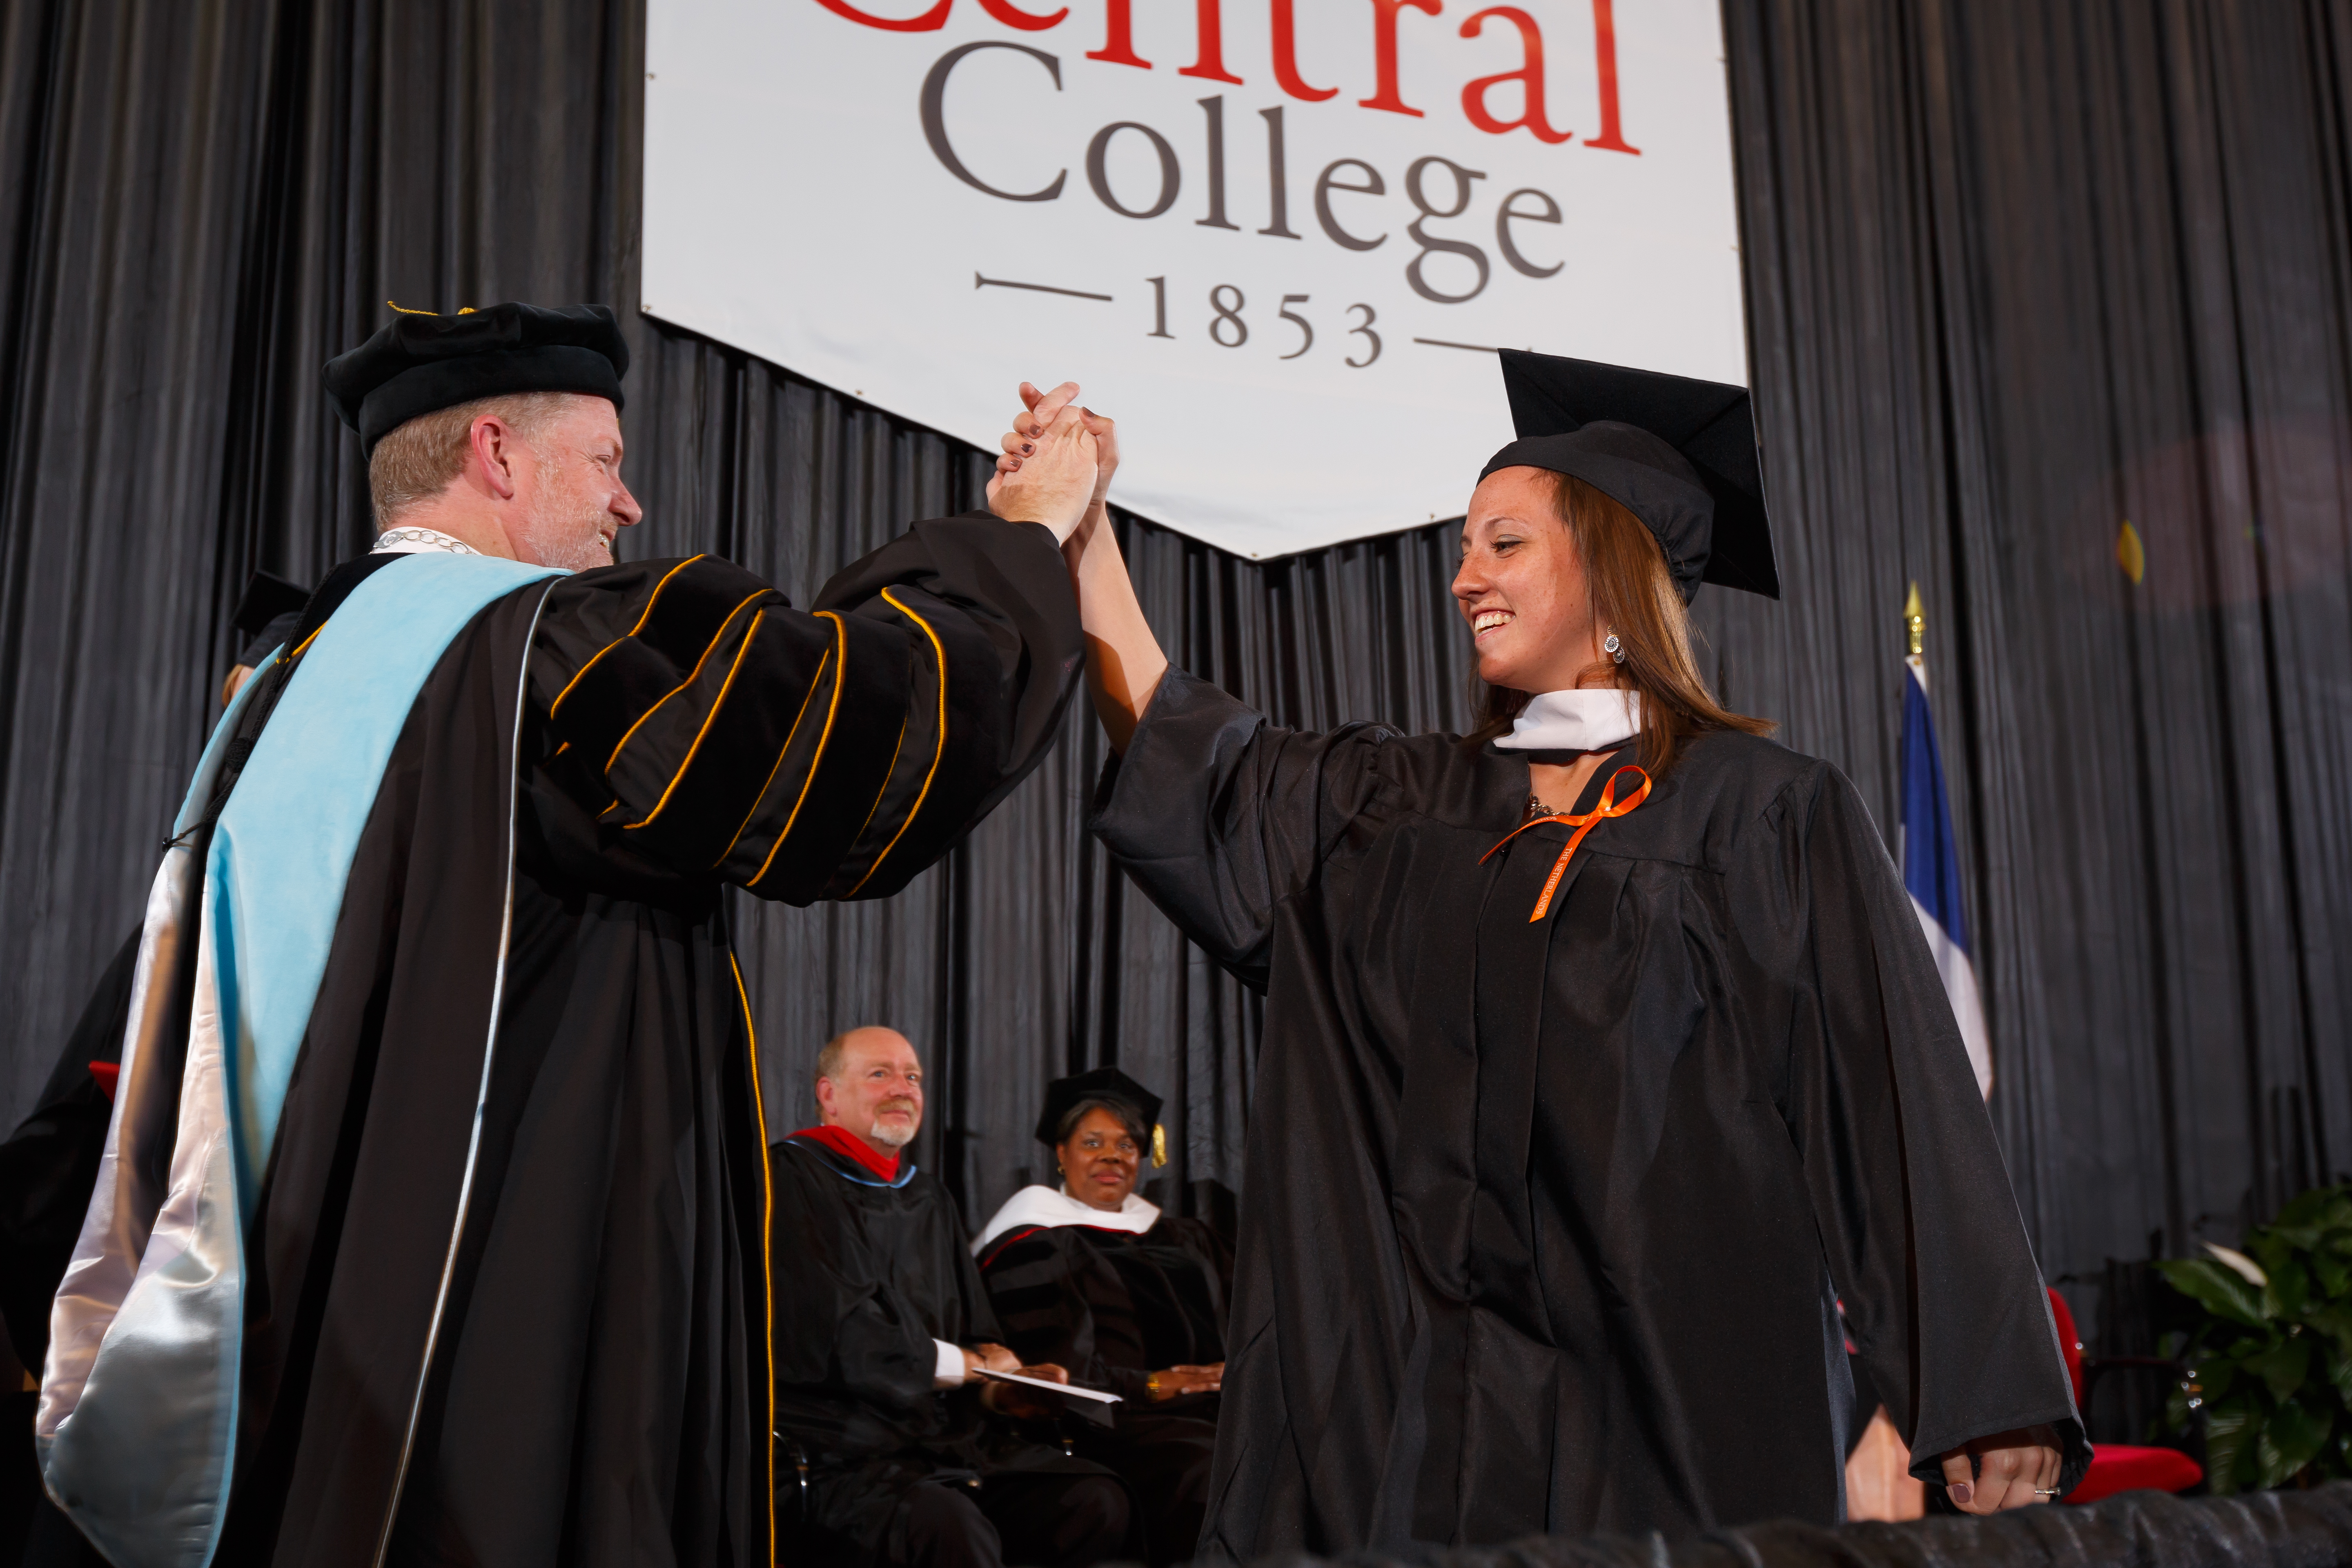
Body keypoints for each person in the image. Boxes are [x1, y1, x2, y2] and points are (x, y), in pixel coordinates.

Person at [36, 302, 1099, 1568]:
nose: (631, 502)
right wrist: (1026, 533)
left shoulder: (280, 686)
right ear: (498, 452)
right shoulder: (542, 642)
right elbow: (851, 736)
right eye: (603, 460)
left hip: (296, 1338)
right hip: (506, 1321)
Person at [985, 356, 2089, 1555]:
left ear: (1615, 576)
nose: (1465, 578)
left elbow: (1891, 1096)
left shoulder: (1761, 812)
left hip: (1682, 1405)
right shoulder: (1407, 806)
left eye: (1503, 544)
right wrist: (1085, 534)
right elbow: (1189, 757)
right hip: (1431, 1416)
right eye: (1465, 547)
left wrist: (1983, 1383)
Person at [772, 1027, 1133, 1568]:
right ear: (829, 1094)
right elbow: (848, 1337)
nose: (903, 1088)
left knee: (1092, 1501)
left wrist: (1002, 1390)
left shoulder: (929, 1197)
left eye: (913, 1077)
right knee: (947, 1526)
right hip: (843, 1449)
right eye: (880, 1074)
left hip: (944, 1443)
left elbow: (976, 1336)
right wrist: (969, 1366)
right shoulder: (787, 1178)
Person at [970, 1067, 1231, 1567]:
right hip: (1112, 1430)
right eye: (1092, 1142)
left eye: (1127, 1144)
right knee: (1214, 1469)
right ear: (1062, 1156)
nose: (1113, 1155)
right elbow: (1061, 1382)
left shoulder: (1184, 1237)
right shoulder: (1032, 1240)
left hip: (1211, 1414)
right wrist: (1153, 1385)